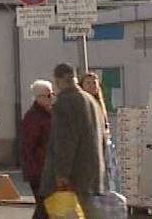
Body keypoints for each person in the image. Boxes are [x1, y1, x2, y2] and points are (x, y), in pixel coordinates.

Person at [41, 64, 108, 217]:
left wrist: (61, 173)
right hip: (93, 173)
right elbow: (103, 139)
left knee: (68, 213)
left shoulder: (64, 102)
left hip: (73, 175)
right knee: (88, 212)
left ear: (58, 81)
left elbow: (64, 141)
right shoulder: (91, 101)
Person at [80, 73, 120, 193]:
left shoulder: (99, 104)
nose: (92, 86)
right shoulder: (82, 103)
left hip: (103, 146)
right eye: (88, 83)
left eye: (94, 83)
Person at [21, 80, 55, 219]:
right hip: (39, 170)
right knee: (44, 208)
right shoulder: (33, 116)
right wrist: (35, 170)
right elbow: (29, 146)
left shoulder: (49, 114)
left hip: (48, 169)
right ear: (38, 97)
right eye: (48, 95)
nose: (51, 97)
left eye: (52, 94)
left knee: (44, 208)